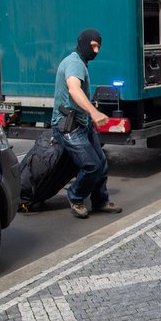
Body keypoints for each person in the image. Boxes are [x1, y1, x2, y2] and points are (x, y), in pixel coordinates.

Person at [51, 29, 122, 219]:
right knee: (91, 165)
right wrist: (94, 111)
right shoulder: (75, 64)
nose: (97, 50)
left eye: (99, 46)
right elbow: (74, 89)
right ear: (83, 43)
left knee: (102, 164)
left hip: (82, 123)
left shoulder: (79, 62)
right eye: (93, 46)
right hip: (69, 126)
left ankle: (100, 201)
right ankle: (75, 197)